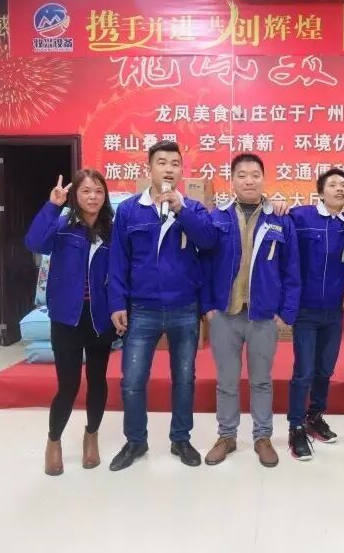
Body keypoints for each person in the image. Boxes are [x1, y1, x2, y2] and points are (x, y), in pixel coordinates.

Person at [107, 140, 217, 471]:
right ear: (149, 168)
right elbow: (118, 260)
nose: (169, 169)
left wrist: (181, 210)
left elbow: (209, 241)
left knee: (184, 378)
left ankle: (180, 439)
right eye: (162, 163)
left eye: (175, 164)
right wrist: (117, 302)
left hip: (184, 307)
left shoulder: (193, 209)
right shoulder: (129, 210)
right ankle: (135, 441)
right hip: (142, 309)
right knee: (132, 380)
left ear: (182, 171)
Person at [200, 153, 301, 468]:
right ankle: (226, 436)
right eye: (241, 175)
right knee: (227, 381)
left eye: (255, 175)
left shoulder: (281, 219)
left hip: (263, 315)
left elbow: (292, 270)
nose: (248, 181)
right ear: (232, 180)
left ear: (263, 179)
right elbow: (203, 265)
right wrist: (208, 306)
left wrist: (285, 313)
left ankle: (262, 437)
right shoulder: (217, 217)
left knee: (261, 380)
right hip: (225, 314)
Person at [24, 170, 116, 476]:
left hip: (100, 318)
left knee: (98, 381)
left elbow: (120, 274)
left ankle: (92, 436)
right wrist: (52, 206)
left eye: (98, 191)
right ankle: (54, 441)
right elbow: (34, 242)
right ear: (75, 196)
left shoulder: (112, 231)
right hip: (67, 318)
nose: (93, 197)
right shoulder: (63, 226)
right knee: (68, 385)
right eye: (86, 191)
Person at [286, 169, 344, 461]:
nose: (339, 189)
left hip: (334, 311)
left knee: (325, 369)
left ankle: (314, 416)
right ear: (321, 191)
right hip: (306, 310)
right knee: (304, 371)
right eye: (333, 184)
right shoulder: (301, 217)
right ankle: (296, 426)